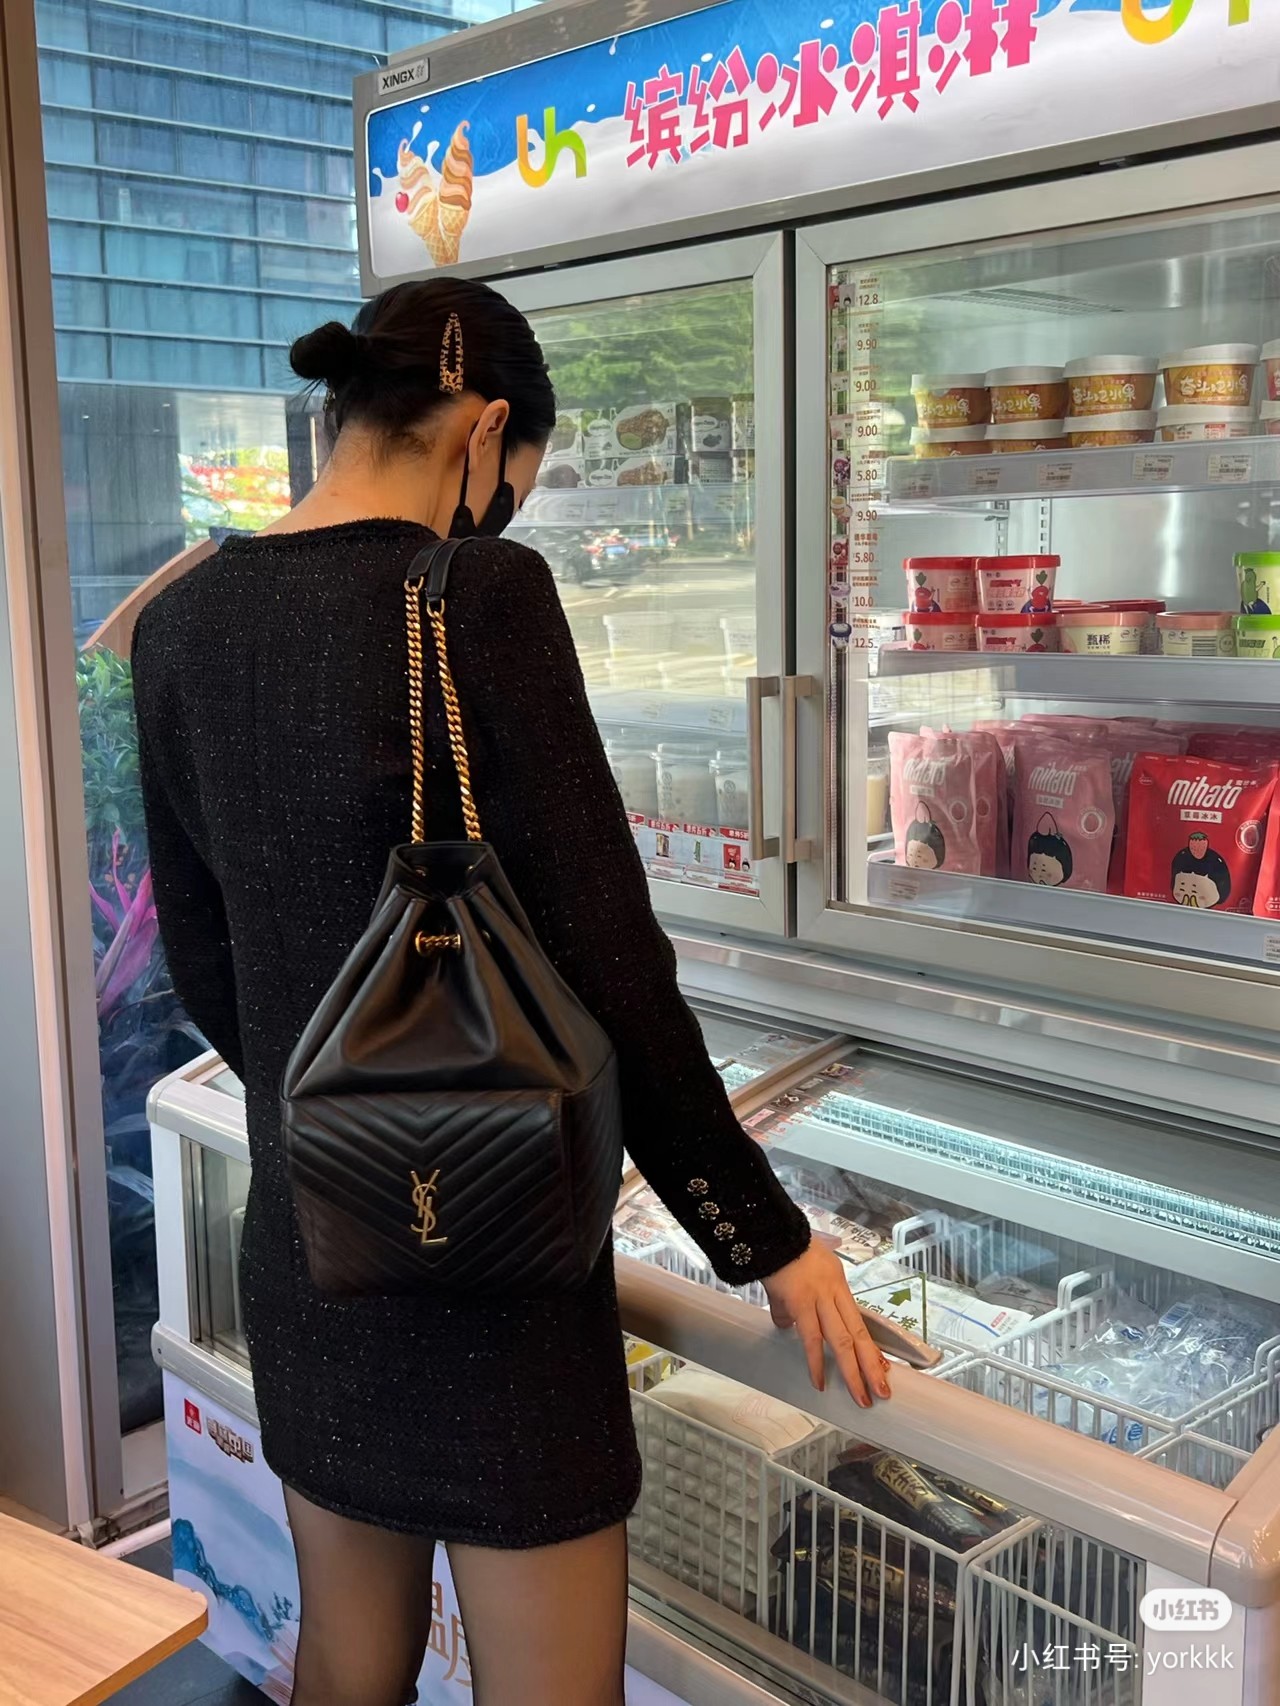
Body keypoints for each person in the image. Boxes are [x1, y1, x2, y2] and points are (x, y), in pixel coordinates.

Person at [132, 276, 890, 1706]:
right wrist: (765, 1236)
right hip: (496, 1256)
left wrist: (343, 1098)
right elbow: (611, 967)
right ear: (482, 433)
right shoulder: (479, 597)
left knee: (346, 1658)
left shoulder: (182, 624)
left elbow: (206, 961)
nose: (500, 523)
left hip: (317, 1238)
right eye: (513, 487)